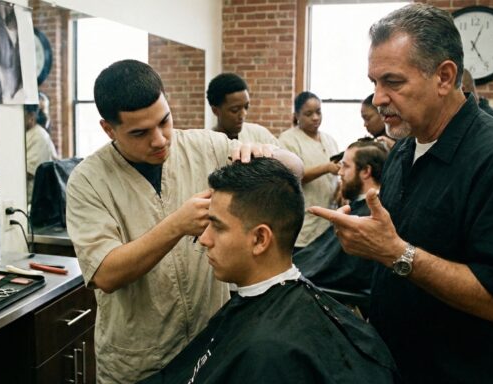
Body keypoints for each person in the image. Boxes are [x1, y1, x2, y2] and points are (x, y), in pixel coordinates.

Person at [309, 4, 493, 383]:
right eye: (374, 83)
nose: (379, 98)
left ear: (444, 77)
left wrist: (395, 253)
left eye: (393, 82)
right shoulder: (405, 148)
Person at [65, 59, 302, 383]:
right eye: (140, 132)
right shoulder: (88, 181)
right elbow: (105, 273)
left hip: (210, 348)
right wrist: (176, 225)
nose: (160, 139)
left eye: (164, 121)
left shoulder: (205, 146)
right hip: (138, 362)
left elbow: (294, 170)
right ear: (109, 128)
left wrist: (271, 155)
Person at [140, 158, 397, 383]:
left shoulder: (270, 351)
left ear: (260, 239)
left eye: (216, 226)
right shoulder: (265, 317)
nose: (204, 239)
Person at [293, 138, 387, 295]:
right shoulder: (360, 208)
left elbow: (342, 269)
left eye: (346, 166)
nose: (340, 172)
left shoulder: (367, 215)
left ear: (365, 171)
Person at [279, 91, 339, 249]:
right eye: (308, 113)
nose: (315, 117)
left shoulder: (329, 139)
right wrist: (326, 167)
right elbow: (292, 175)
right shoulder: (288, 139)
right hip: (304, 223)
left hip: (328, 223)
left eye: (318, 112)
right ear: (297, 115)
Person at [206, 73, 279, 145]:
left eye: (246, 107)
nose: (243, 114)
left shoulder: (259, 135)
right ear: (215, 110)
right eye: (235, 110)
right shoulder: (207, 144)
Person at [24, 104, 58, 202]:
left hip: (34, 199)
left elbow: (29, 171)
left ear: (31, 116)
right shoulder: (26, 134)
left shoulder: (39, 136)